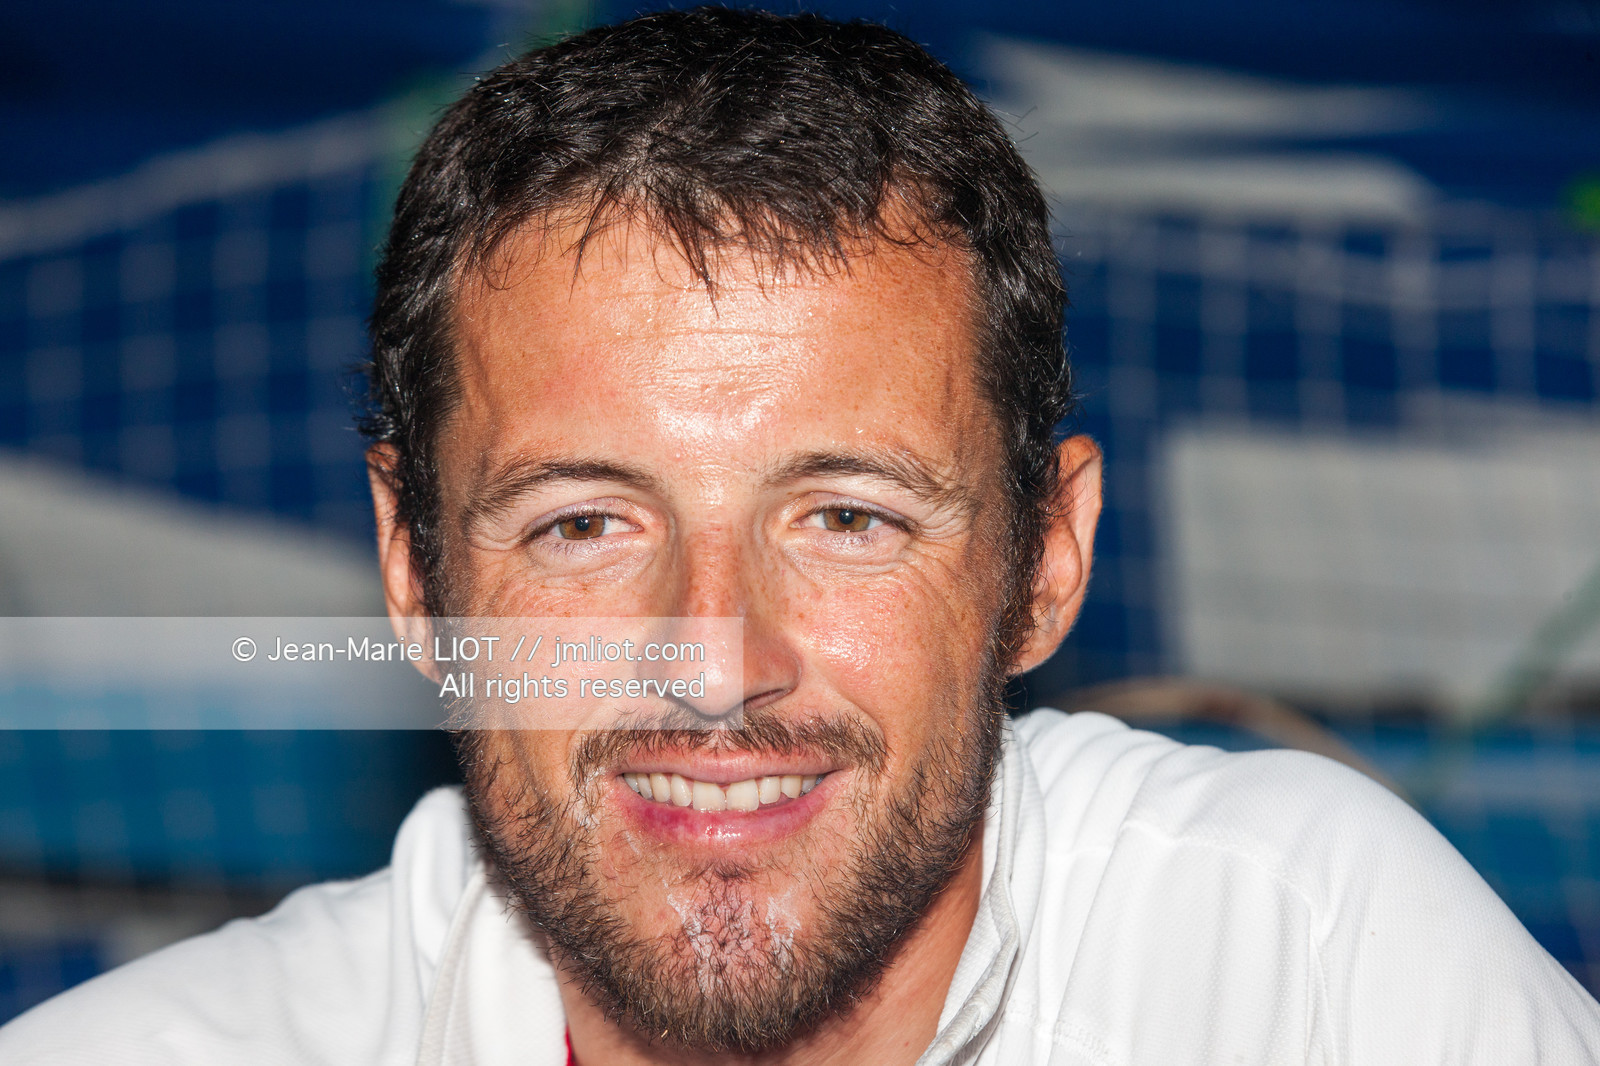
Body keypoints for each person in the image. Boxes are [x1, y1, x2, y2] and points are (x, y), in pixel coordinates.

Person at [4, 7, 1599, 1064]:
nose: (715, 661)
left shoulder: (1304, 974)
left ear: (1047, 557)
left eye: (844, 516)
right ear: (418, 577)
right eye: (583, 523)